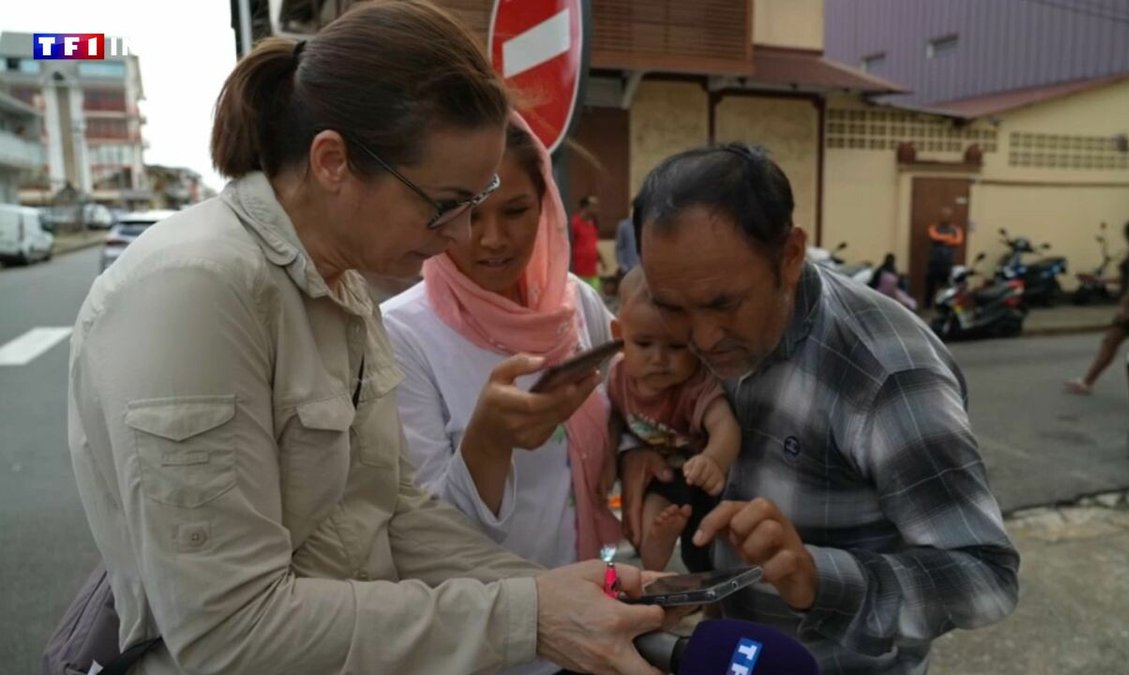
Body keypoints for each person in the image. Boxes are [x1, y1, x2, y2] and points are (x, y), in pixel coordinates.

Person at [65, 4, 665, 674]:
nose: (463, 237)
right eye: (445, 205)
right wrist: (530, 616)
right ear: (332, 162)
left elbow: (391, 514)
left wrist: (558, 594)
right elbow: (231, 629)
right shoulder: (196, 290)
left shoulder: (341, 288)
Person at [622, 143, 1019, 674]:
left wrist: (819, 579)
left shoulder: (886, 376)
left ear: (789, 257)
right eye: (673, 308)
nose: (702, 338)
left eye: (724, 304)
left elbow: (985, 578)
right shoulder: (689, 342)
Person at [381, 118, 623, 675]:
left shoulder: (574, 305)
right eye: (466, 213)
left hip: (591, 616)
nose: (490, 239)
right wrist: (487, 446)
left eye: (515, 211)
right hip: (489, 645)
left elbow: (624, 418)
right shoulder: (400, 334)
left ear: (548, 205)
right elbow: (420, 539)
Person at [607, 267, 740, 572]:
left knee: (704, 551)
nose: (659, 359)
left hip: (705, 476)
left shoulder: (694, 384)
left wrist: (714, 460)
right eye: (643, 344)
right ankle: (655, 549)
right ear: (619, 335)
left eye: (676, 346)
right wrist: (608, 460)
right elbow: (613, 417)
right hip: (666, 473)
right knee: (652, 511)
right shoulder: (618, 376)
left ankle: (709, 593)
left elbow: (725, 425)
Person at [1065, 218, 1129, 395]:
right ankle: (1088, 382)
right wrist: (1100, 280)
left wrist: (1125, 304)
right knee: (1114, 344)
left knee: (1119, 345)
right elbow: (1128, 279)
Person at [925, 206, 963, 308]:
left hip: (948, 263)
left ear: (950, 216)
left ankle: (942, 307)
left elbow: (958, 240)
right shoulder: (933, 228)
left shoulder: (956, 229)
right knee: (930, 287)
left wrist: (943, 239)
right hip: (935, 262)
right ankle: (927, 307)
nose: (945, 217)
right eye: (943, 215)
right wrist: (949, 238)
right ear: (939, 216)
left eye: (947, 215)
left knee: (945, 287)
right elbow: (934, 236)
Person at [571, 194, 606, 289]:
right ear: (585, 207)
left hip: (592, 270)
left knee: (595, 295)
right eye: (593, 206)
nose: (596, 209)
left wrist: (601, 259)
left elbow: (592, 244)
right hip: (579, 270)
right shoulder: (575, 223)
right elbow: (570, 244)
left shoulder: (593, 223)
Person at [615, 205, 640, 277]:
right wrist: (623, 267)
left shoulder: (645, 226)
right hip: (629, 269)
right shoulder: (624, 226)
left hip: (643, 269)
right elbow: (619, 248)